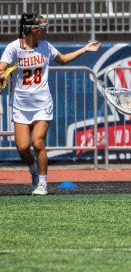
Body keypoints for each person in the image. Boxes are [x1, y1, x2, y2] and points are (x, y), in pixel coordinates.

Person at [0, 13, 101, 195]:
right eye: (43, 27)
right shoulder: (14, 48)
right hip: (21, 104)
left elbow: (62, 59)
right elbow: (2, 68)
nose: (46, 30)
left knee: (38, 142)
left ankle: (43, 183)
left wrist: (84, 49)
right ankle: (33, 169)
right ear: (32, 29)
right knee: (22, 147)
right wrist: (2, 74)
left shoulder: (45, 46)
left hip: (42, 102)